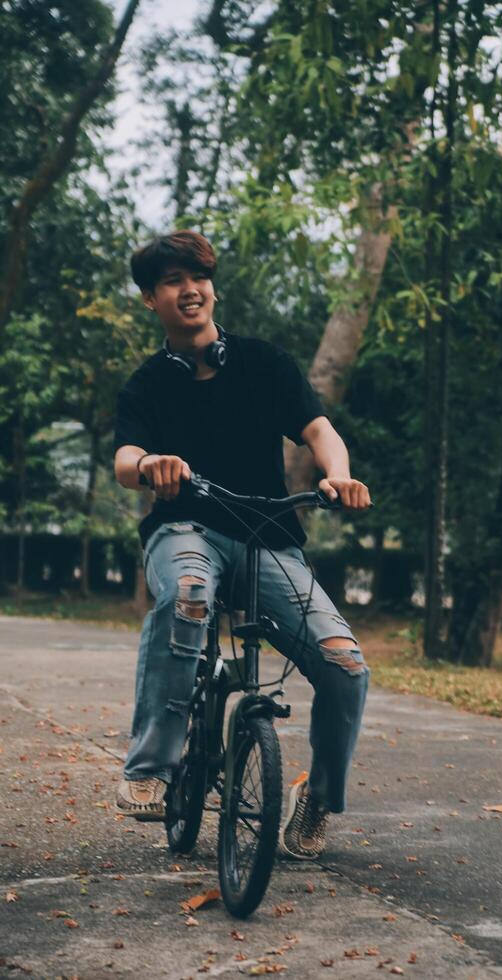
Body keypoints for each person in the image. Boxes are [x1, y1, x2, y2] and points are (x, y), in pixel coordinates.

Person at [113, 230, 371, 860]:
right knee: (190, 594)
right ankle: (150, 767)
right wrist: (151, 466)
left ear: (212, 285)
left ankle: (320, 796)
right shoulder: (147, 384)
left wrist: (335, 474)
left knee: (345, 665)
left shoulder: (263, 363)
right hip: (184, 532)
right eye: (171, 281)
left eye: (195, 276)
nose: (187, 289)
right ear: (152, 299)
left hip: (268, 539)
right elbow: (123, 458)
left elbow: (318, 428)